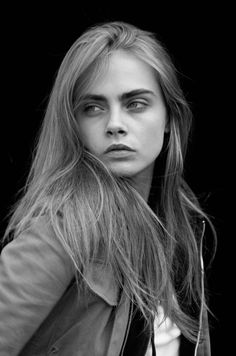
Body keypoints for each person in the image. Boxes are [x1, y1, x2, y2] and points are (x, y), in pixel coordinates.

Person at [0, 21, 216, 355]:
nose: (114, 124)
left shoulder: (185, 231)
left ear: (170, 118)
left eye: (136, 104)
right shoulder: (63, 226)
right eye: (93, 108)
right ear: (75, 126)